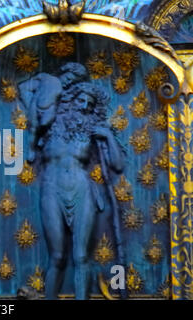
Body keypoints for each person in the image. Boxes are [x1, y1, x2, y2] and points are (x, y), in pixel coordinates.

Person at [34, 80, 124, 299]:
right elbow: (29, 96)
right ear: (70, 101)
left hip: (82, 189)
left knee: (81, 255)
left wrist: (108, 136)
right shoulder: (49, 124)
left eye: (89, 104)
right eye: (80, 100)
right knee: (56, 256)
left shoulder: (93, 131)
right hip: (51, 189)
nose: (84, 106)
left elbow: (118, 165)